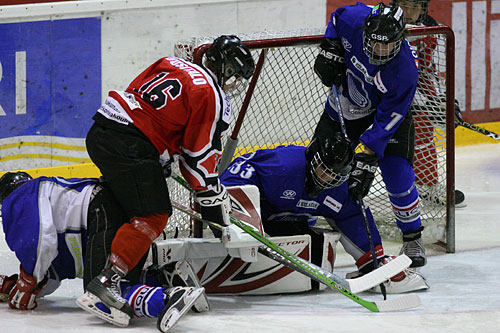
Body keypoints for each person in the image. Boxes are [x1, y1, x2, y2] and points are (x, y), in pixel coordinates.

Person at [80, 34, 255, 326]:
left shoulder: (170, 62)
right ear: (224, 69)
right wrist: (211, 197)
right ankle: (107, 282)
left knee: (127, 208)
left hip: (101, 131)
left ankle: (121, 284)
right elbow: (198, 156)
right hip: (131, 145)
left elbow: (139, 98)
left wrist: (159, 156)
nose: (233, 83)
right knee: (155, 214)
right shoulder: (211, 93)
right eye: (234, 75)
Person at [0, 171, 208, 332]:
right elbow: (50, 273)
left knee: (99, 293)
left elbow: (37, 244)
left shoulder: (19, 197)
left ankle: (166, 298)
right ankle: (165, 278)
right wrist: (22, 287)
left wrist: (27, 284)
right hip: (112, 208)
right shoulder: (50, 199)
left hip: (99, 210)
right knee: (118, 280)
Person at [218, 134, 429, 293]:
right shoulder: (283, 167)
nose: (327, 180)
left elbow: (352, 216)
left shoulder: (340, 190)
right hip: (261, 212)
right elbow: (232, 179)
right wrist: (244, 219)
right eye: (323, 171)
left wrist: (372, 261)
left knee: (339, 216)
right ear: (313, 159)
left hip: (291, 220)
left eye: (334, 176)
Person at [312, 2, 427, 268]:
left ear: (400, 39)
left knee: (397, 174)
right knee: (320, 166)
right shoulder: (354, 19)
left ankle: (412, 237)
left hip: (386, 116)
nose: (380, 51)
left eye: (387, 45)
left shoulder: (405, 71)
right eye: (375, 44)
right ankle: (303, 223)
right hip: (348, 107)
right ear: (365, 32)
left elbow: (389, 119)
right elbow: (337, 17)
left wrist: (366, 158)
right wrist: (331, 49)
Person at [390, 0, 466, 208]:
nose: (407, 12)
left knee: (422, 125)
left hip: (402, 100)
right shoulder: (382, 24)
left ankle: (425, 186)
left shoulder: (427, 32)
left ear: (423, 9)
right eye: (403, 5)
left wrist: (437, 102)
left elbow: (425, 71)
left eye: (414, 6)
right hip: (369, 95)